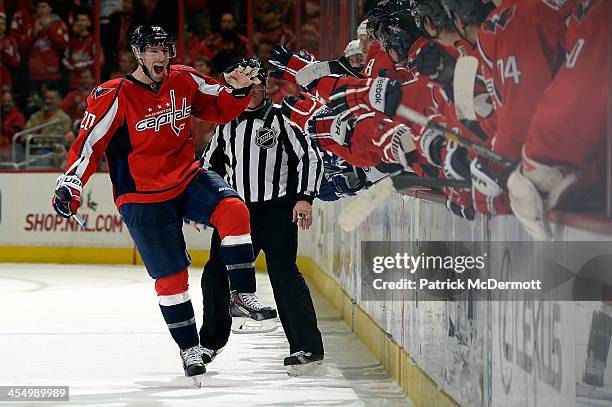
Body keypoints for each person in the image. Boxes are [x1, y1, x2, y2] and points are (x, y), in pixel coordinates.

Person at [50, 25, 262, 385]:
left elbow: (219, 107)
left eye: (165, 50)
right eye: (153, 51)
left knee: (234, 210)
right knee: (171, 280)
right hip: (142, 197)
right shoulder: (113, 94)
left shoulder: (184, 79)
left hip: (187, 177)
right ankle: (189, 348)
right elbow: (89, 144)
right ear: (138, 53)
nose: (161, 57)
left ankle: (241, 294)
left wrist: (239, 89)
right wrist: (71, 183)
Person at [201, 61, 325, 375]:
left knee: (284, 275)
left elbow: (309, 157)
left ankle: (307, 347)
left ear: (265, 86)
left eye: (257, 83)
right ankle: (210, 343)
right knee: (215, 274)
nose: (253, 90)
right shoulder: (226, 123)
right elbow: (209, 167)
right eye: (246, 83)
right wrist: (205, 204)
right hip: (236, 214)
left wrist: (304, 198)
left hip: (276, 212)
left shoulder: (283, 121)